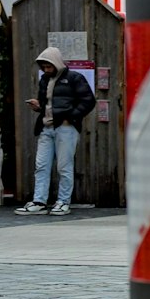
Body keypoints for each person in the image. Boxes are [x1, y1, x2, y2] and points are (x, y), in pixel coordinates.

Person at [16, 45, 96, 215]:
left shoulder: (74, 78)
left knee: (64, 166)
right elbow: (48, 104)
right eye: (44, 67)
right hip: (47, 126)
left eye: (49, 66)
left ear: (57, 63)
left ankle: (63, 201)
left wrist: (71, 117)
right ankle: (39, 201)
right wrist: (39, 107)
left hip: (66, 128)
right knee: (41, 165)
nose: (46, 69)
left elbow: (89, 101)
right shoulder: (44, 80)